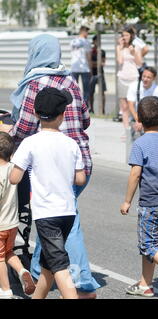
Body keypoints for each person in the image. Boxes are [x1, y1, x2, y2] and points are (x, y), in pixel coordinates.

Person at [4, 34, 99, 298]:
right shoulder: (70, 80)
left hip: (50, 164)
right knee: (62, 222)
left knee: (66, 223)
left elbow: (23, 127)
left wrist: (7, 134)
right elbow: (86, 119)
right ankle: (37, 278)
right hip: (80, 160)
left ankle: (82, 283)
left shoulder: (35, 83)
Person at [9, 87, 86, 299]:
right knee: (47, 268)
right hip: (67, 213)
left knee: (59, 265)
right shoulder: (72, 144)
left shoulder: (30, 143)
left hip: (46, 214)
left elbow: (14, 178)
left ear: (35, 114)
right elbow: (80, 179)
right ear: (62, 116)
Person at [120, 96, 158, 297]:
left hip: (150, 203)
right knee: (152, 241)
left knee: (148, 245)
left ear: (139, 118)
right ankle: (146, 284)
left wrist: (127, 200)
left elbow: (135, 173)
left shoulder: (140, 143)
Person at [0, 132, 36, 299]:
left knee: (0, 258)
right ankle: (22, 271)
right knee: (8, 252)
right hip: (13, 222)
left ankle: (6, 291)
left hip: (0, 224)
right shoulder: (14, 170)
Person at [126, 66, 158, 140]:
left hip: (154, 120)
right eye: (144, 76)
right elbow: (130, 105)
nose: (145, 79)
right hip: (137, 118)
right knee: (137, 130)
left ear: (154, 78)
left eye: (148, 77)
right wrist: (138, 120)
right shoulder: (134, 87)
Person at [117, 26, 142, 131]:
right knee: (124, 106)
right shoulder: (119, 47)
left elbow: (139, 64)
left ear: (131, 35)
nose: (125, 37)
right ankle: (126, 130)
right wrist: (120, 47)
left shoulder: (136, 47)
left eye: (126, 35)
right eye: (123, 35)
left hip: (133, 79)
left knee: (134, 104)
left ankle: (137, 127)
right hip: (122, 77)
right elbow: (120, 61)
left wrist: (133, 53)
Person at [71, 26, 92, 111]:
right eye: (87, 32)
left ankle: (75, 105)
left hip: (74, 67)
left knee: (74, 88)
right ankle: (84, 106)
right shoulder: (86, 42)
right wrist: (90, 68)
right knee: (86, 89)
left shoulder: (73, 41)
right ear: (83, 32)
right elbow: (88, 56)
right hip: (85, 68)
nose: (88, 34)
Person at [88, 35, 106, 114]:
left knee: (102, 92)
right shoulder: (91, 51)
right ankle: (91, 109)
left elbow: (103, 63)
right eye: (96, 41)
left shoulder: (102, 51)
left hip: (101, 73)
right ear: (93, 42)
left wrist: (97, 63)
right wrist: (97, 63)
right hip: (92, 73)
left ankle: (103, 110)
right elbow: (90, 63)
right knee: (91, 92)